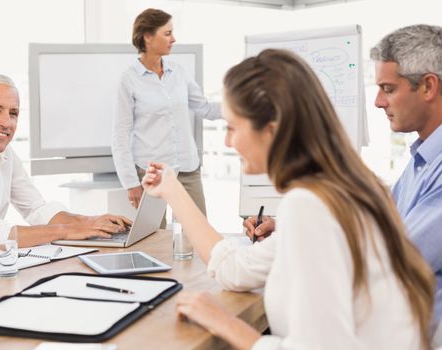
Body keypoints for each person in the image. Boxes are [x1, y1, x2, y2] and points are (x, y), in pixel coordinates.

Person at [142, 49, 434, 349]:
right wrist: (172, 190)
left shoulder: (309, 205)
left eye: (232, 127)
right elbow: (235, 269)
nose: (228, 141)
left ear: (272, 131)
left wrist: (226, 323)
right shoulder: (350, 189)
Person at [0, 73, 131, 262]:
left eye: (13, 113)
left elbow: (37, 210)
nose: (7, 122)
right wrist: (67, 231)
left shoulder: (6, 156)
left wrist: (90, 222)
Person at [111, 8, 220, 225]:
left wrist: (247, 108)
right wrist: (131, 183)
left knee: (197, 234)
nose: (174, 39)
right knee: (153, 239)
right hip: (152, 174)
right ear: (148, 37)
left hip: (187, 169)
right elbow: (120, 134)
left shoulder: (179, 72)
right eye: (167, 33)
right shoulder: (129, 79)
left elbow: (205, 108)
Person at [370, 24, 442, 327]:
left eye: (388, 89)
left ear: (427, 86)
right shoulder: (423, 159)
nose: (378, 102)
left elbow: (393, 260)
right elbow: (380, 224)